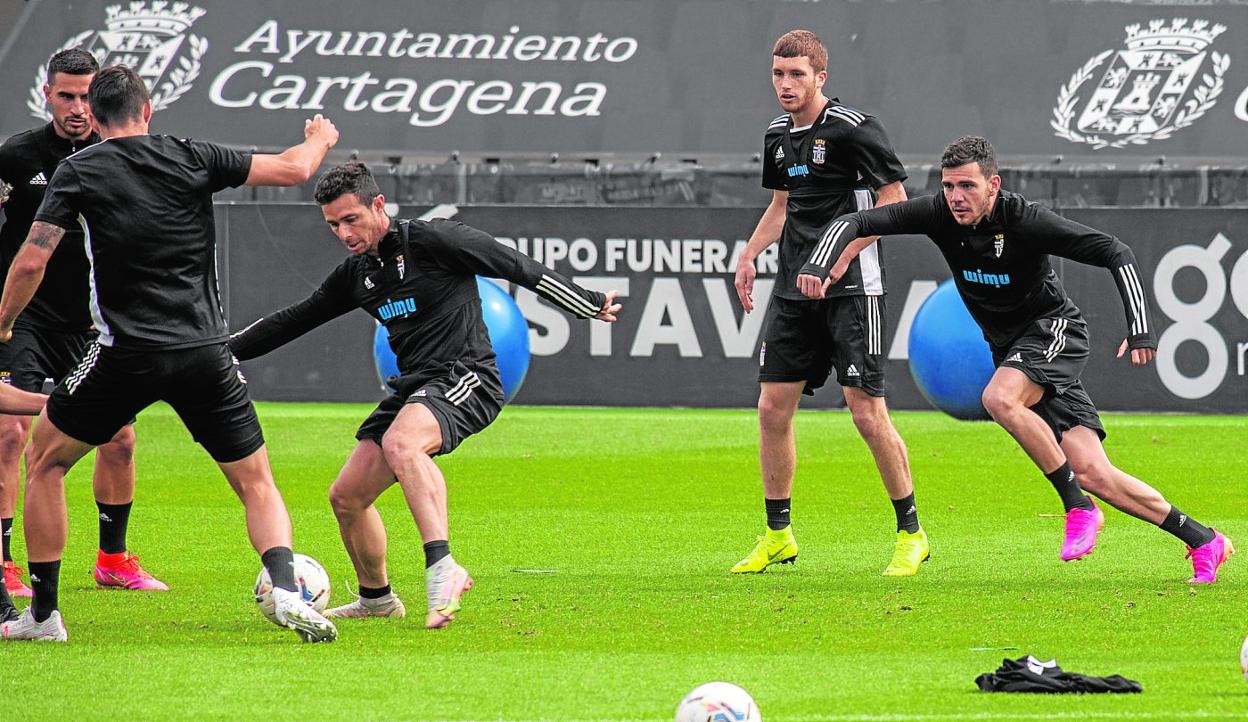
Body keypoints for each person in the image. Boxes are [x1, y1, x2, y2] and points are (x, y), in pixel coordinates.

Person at [0, 65, 343, 642]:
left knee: (46, 462)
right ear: (148, 110)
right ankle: (286, 587)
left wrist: (5, 323)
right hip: (205, 351)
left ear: (96, 118)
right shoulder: (193, 155)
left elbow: (33, 259)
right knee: (256, 481)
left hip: (125, 354)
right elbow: (294, 169)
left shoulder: (78, 169)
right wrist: (320, 138)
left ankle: (43, 616)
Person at [796, 135, 1232, 583]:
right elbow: (855, 220)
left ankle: (1077, 507)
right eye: (948, 186)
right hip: (1013, 351)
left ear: (994, 185)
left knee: (999, 398)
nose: (956, 197)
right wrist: (817, 263)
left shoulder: (1025, 220)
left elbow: (1115, 252)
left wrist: (1140, 326)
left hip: (1054, 331)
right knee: (1094, 472)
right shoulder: (938, 214)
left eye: (967, 186)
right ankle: (1204, 540)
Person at [229, 162, 621, 629]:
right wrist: (219, 352)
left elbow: (514, 264)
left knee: (402, 444)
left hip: (467, 375)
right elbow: (295, 318)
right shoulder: (357, 274)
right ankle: (377, 599)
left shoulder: (433, 240)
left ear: (378, 205)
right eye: (333, 224)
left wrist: (585, 302)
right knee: (347, 497)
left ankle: (443, 567)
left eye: (351, 219)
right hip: (415, 387)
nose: (344, 233)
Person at [731, 29, 928, 577]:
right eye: (778, 73)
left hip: (853, 288)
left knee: (865, 410)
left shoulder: (853, 129)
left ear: (821, 77)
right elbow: (782, 206)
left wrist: (842, 256)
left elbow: (894, 202)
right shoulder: (776, 134)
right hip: (795, 288)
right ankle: (778, 535)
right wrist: (749, 254)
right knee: (771, 408)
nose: (786, 84)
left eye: (797, 74)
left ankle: (911, 534)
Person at [0, 48, 167, 611]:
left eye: (86, 97)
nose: (77, 108)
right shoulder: (16, 157)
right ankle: (4, 563)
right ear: (47, 94)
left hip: (94, 321)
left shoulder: (120, 154)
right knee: (9, 433)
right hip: (24, 320)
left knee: (119, 437)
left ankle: (112, 561)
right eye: (66, 96)